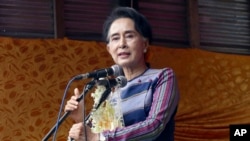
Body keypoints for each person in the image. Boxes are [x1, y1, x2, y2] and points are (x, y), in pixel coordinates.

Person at [65, 7, 180, 141]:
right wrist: (80, 117)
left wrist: (100, 137)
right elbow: (92, 136)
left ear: (145, 44)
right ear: (109, 49)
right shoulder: (110, 92)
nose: (122, 44)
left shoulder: (162, 77)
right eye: (115, 38)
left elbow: (154, 125)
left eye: (129, 36)